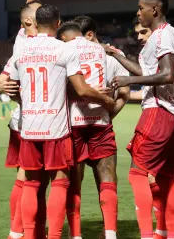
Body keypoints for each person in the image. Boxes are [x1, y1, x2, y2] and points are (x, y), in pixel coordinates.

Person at [5, 4, 115, 239]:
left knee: (31, 184)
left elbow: (9, 88)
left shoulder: (22, 49)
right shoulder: (64, 50)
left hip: (30, 127)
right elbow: (82, 90)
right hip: (56, 127)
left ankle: (21, 234)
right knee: (60, 182)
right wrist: (105, 98)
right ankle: (54, 236)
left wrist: (27, 102)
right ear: (57, 23)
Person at [109, 0, 174, 239]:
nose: (138, 12)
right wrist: (118, 57)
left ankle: (147, 235)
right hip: (171, 114)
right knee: (167, 178)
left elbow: (167, 74)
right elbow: (147, 70)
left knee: (137, 174)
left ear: (155, 10)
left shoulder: (162, 37)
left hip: (158, 111)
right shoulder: (162, 36)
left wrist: (130, 79)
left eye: (141, 8)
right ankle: (167, 233)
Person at [0, 0, 51, 239]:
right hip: (38, 121)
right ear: (30, 22)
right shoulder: (33, 42)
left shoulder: (25, 40)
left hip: (23, 119)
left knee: (25, 178)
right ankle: (26, 231)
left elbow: (29, 7)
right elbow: (30, 9)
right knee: (36, 180)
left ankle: (20, 231)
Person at [57, 20, 128, 239]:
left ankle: (75, 235)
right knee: (108, 179)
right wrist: (109, 109)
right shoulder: (105, 52)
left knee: (74, 183)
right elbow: (124, 91)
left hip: (74, 124)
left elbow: (58, 87)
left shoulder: (64, 50)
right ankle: (110, 233)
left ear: (67, 37)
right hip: (101, 123)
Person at [133, 19, 174, 156]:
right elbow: (145, 90)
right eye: (138, 34)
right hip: (163, 111)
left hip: (169, 108)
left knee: (142, 160)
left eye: (143, 32)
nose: (139, 37)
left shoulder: (170, 55)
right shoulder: (148, 57)